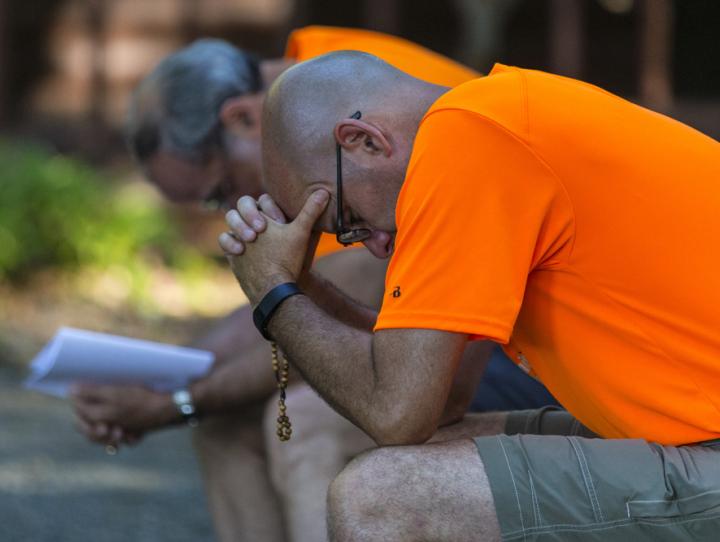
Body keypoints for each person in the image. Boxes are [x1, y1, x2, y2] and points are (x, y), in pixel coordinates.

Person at [71, 29, 556, 542]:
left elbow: (387, 395)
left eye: (220, 193)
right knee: (226, 423)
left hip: (536, 360)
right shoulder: (326, 112)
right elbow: (321, 315)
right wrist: (171, 384)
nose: (228, 212)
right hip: (480, 339)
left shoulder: (353, 138)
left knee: (308, 419)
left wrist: (176, 400)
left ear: (240, 118)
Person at [220, 50, 720, 541]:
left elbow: (396, 414)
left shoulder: (468, 141)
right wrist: (301, 285)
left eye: (349, 221)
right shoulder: (490, 121)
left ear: (364, 141)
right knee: (414, 456)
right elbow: (441, 398)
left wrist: (273, 293)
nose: (374, 246)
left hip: (707, 450)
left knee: (384, 496)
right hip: (690, 436)